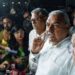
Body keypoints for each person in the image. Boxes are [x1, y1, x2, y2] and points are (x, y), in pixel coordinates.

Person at [35, 10, 75, 75]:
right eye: (48, 25)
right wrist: (34, 53)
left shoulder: (71, 53)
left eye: (56, 25)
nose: (49, 30)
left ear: (67, 26)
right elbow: (37, 66)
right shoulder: (47, 42)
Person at [29, 8, 48, 74]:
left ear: (45, 19)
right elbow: (31, 53)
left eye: (36, 19)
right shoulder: (31, 33)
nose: (33, 22)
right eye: (32, 20)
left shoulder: (52, 36)